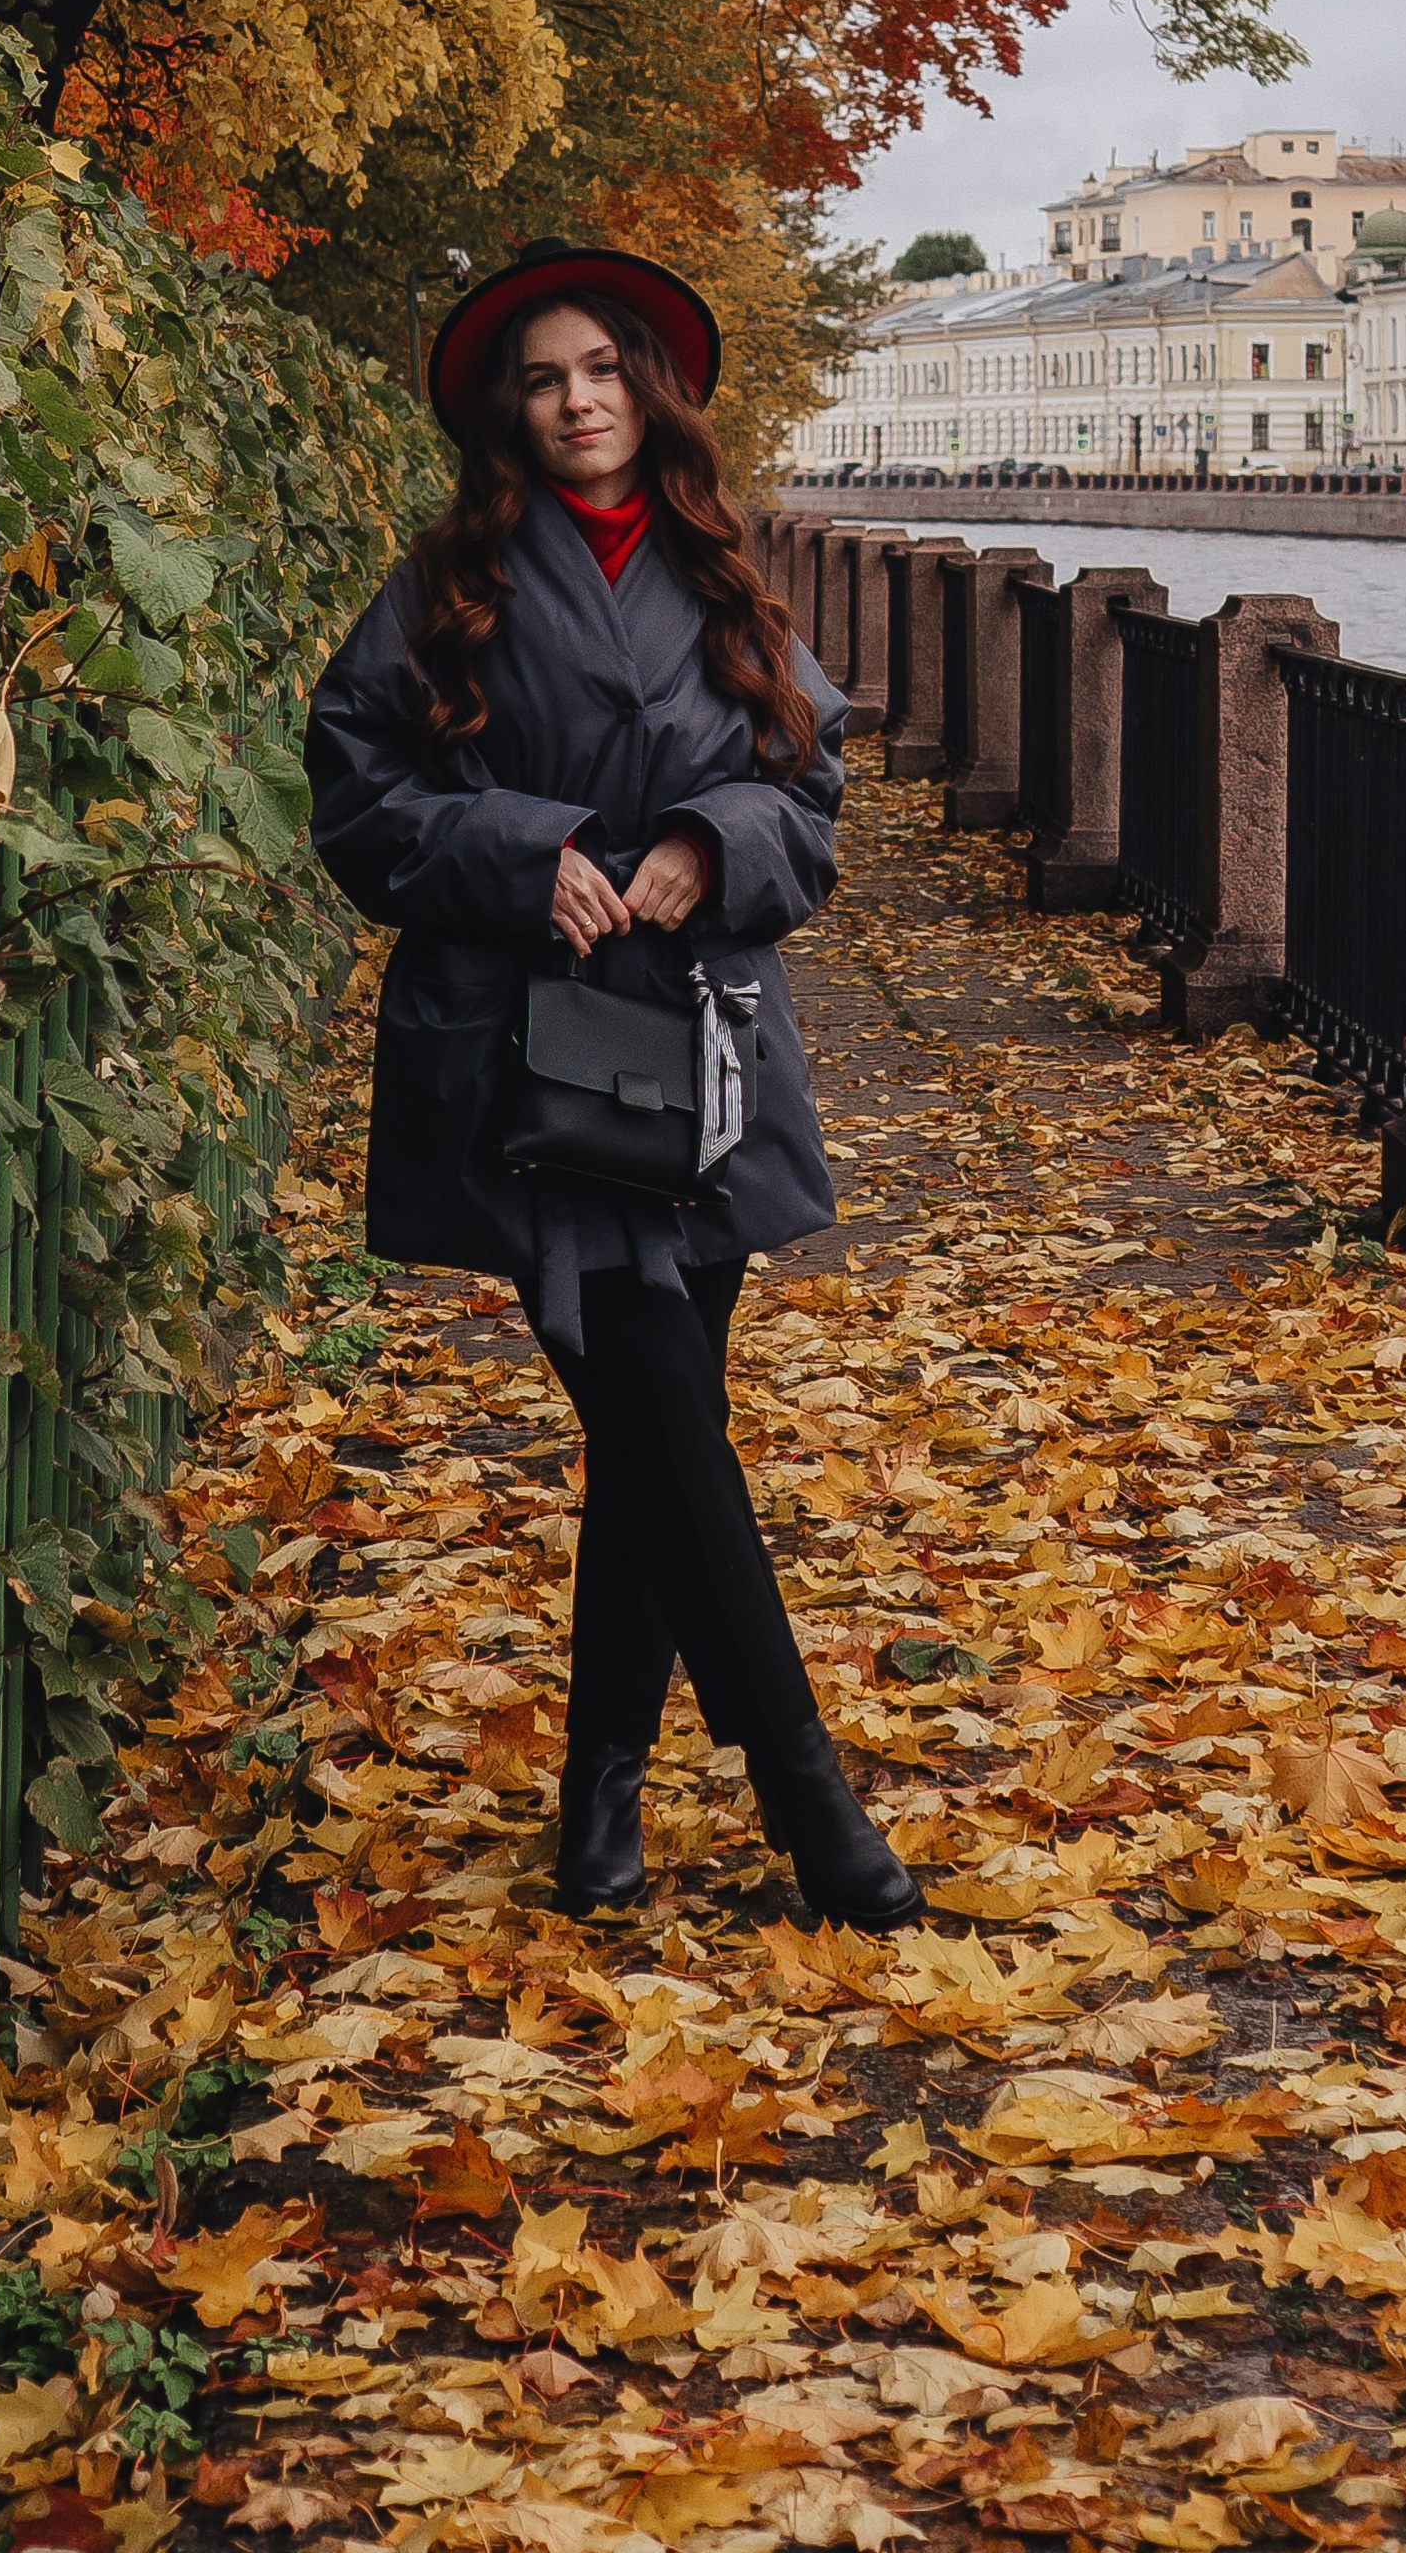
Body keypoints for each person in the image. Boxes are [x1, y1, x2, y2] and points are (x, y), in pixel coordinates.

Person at [305, 239, 921, 1932]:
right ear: (513, 407)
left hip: (702, 1059)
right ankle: (811, 1804)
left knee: (662, 1440)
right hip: (527, 1063)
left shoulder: (731, 577)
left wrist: (708, 846)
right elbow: (356, 797)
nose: (578, 403)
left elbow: (809, 803)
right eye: (544, 377)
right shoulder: (451, 578)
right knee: (659, 1411)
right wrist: (533, 852)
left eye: (603, 371)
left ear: (650, 392)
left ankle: (603, 1809)